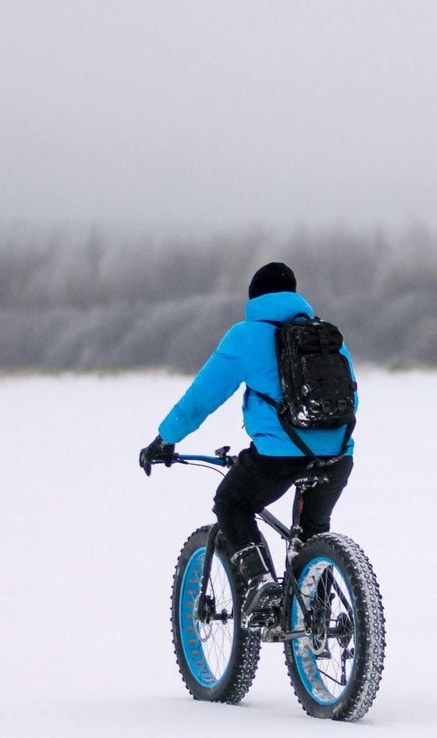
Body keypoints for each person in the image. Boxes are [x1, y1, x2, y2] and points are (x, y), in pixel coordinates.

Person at [139, 261, 357, 620]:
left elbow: (201, 398)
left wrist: (165, 438)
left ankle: (260, 584)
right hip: (336, 457)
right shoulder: (327, 338)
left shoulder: (246, 336)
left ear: (255, 297)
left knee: (232, 503)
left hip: (277, 457)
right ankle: (316, 615)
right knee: (311, 533)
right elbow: (351, 397)